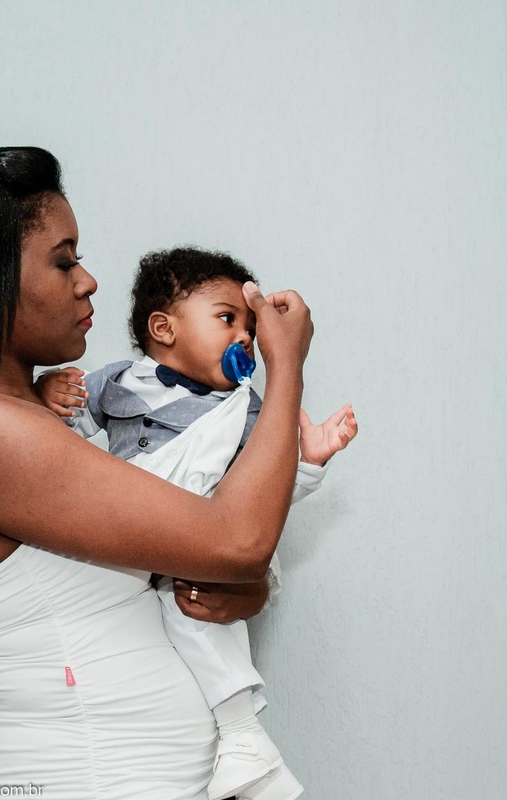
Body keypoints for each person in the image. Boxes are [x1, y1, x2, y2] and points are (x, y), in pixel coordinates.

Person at [0, 147, 314, 800]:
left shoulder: (48, 420)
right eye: (63, 260)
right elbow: (236, 539)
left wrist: (246, 588)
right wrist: (286, 367)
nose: (89, 280)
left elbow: (203, 550)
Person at [35, 247, 357, 800]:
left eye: (251, 328)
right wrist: (47, 394)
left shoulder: (246, 411)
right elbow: (53, 439)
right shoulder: (115, 382)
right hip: (123, 542)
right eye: (228, 319)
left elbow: (266, 497)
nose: (245, 338)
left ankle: (243, 735)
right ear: (164, 328)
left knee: (200, 618)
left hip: (193, 551)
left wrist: (309, 460)